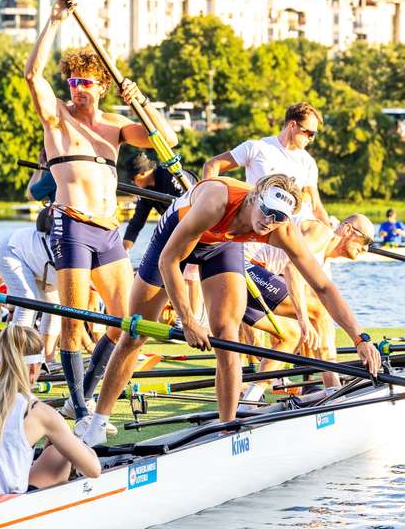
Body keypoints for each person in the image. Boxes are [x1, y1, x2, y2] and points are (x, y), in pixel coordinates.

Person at [84, 174, 380, 445]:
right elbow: (169, 262)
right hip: (176, 237)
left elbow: (324, 287)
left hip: (222, 246)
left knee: (227, 332)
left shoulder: (281, 230)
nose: (269, 222)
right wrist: (187, 319)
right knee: (135, 333)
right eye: (266, 212)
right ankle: (97, 422)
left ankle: (227, 428)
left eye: (279, 218)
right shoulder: (216, 201)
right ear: (255, 198)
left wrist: (359, 338)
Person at [25, 0, 178, 432]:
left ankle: (86, 397)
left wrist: (141, 102)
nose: (78, 89)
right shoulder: (56, 119)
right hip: (71, 225)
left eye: (86, 83)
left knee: (126, 321)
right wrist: (54, 20)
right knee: (75, 321)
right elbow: (32, 74)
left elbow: (162, 139)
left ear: (102, 86)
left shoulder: (114, 126)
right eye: (72, 82)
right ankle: (80, 407)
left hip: (108, 233)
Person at [0, 324, 101, 499]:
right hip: (3, 508)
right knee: (59, 454)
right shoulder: (38, 411)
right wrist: (78, 439)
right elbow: (94, 469)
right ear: (34, 368)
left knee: (50, 451)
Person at [244, 213, 377, 390]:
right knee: (318, 312)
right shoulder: (322, 232)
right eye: (366, 240)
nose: (367, 249)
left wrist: (305, 320)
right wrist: (303, 318)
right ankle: (333, 388)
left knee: (293, 335)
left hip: (250, 283)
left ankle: (251, 398)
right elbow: (292, 266)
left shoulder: (323, 266)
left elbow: (317, 301)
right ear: (347, 229)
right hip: (245, 266)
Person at [202, 102, 328, 222]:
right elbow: (212, 165)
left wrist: (333, 236)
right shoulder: (257, 147)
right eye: (310, 133)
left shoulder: (308, 162)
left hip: (281, 234)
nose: (312, 139)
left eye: (314, 134)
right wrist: (205, 206)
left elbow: (316, 208)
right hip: (250, 231)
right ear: (292, 125)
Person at [0, 207, 61, 363]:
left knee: (55, 308)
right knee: (28, 302)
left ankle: (46, 359)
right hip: (11, 251)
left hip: (40, 264)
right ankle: (12, 359)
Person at [122, 153, 197, 251]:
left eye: (132, 178)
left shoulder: (169, 174)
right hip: (175, 226)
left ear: (142, 173)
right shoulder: (145, 192)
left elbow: (188, 205)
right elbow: (137, 222)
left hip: (196, 220)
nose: (132, 182)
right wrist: (125, 251)